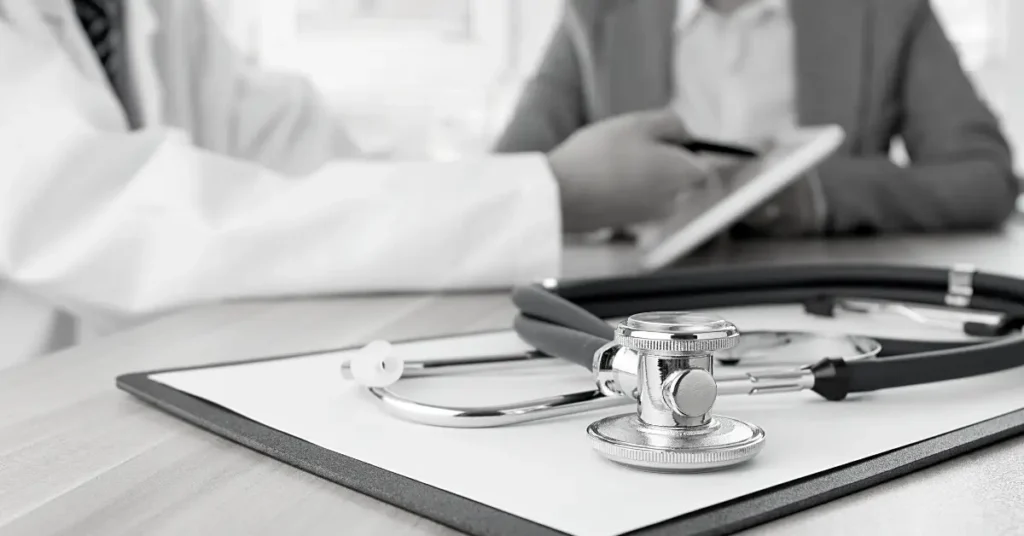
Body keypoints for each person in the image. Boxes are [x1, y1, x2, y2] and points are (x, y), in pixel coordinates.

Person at [0, 0, 707, 368]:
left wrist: (523, 196)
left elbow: (305, 158)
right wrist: (551, 193)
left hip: (134, 386)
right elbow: (119, 224)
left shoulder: (155, 14)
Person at [495, 0, 1021, 237]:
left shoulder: (887, 10)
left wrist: (820, 195)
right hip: (635, 311)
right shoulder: (595, 13)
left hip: (827, 309)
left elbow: (986, 178)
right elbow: (499, 190)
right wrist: (587, 192)